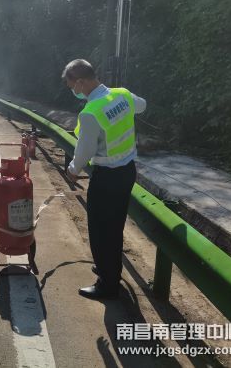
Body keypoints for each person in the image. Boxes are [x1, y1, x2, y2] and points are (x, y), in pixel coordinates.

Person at [62, 59, 146, 300]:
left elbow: (85, 150)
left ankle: (107, 284)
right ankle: (109, 269)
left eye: (73, 87)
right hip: (127, 172)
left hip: (106, 178)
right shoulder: (122, 95)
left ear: (81, 82)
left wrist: (73, 169)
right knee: (115, 227)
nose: (74, 91)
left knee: (100, 231)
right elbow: (142, 105)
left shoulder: (91, 113)